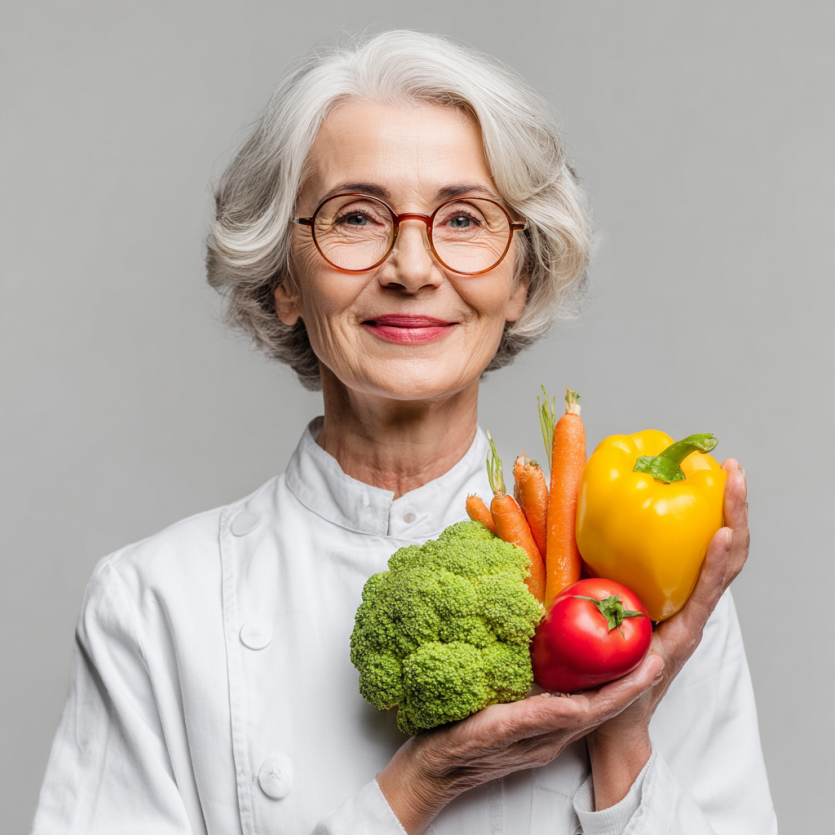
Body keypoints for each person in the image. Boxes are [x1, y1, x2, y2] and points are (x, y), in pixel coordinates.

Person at [30, 30, 776, 835]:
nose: (412, 267)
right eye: (356, 216)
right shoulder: (155, 605)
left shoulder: (640, 584)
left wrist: (622, 734)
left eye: (463, 218)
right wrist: (414, 789)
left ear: (519, 277)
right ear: (285, 278)